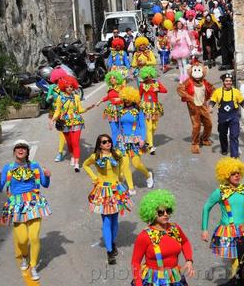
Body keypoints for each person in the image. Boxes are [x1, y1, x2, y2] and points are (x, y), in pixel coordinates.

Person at [0, 140, 51, 281]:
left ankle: (33, 267)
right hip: (16, 205)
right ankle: (25, 256)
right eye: (18, 148)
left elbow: (45, 184)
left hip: (33, 203)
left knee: (34, 237)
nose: (21, 150)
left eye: (24, 148)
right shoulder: (8, 168)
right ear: (14, 151)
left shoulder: (35, 166)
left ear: (27, 152)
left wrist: (48, 176)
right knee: (22, 239)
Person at [201, 157, 244, 274]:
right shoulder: (219, 192)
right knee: (236, 261)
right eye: (233, 173)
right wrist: (204, 229)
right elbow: (206, 207)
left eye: (238, 173)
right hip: (228, 231)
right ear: (226, 175)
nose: (237, 176)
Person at [83, 134, 133, 265]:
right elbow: (85, 165)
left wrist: (120, 177)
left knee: (115, 220)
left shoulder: (116, 153)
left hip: (116, 190)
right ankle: (110, 251)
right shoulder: (96, 157)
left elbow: (123, 164)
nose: (108, 143)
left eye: (109, 141)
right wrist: (94, 178)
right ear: (100, 145)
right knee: (106, 220)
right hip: (103, 191)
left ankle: (112, 242)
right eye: (104, 142)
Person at [131, 189, 195, 286]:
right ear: (152, 212)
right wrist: (138, 284)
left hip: (174, 277)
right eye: (161, 212)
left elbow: (185, 242)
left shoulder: (175, 228)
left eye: (168, 211)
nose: (165, 214)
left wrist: (189, 260)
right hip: (153, 280)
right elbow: (135, 262)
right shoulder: (144, 236)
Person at [49, 76, 94, 172]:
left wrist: (88, 108)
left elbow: (80, 110)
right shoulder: (60, 98)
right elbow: (57, 111)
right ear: (64, 87)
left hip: (77, 121)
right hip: (65, 122)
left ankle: (77, 164)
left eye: (71, 87)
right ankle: (72, 156)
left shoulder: (77, 97)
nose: (70, 88)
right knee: (69, 143)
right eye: (68, 87)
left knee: (75, 142)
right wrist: (52, 120)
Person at [116, 86, 154, 195]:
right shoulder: (121, 111)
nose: (126, 101)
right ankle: (131, 188)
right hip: (123, 140)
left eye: (128, 99)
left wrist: (142, 139)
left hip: (136, 140)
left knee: (136, 164)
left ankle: (148, 175)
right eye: (125, 99)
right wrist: (116, 141)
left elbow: (143, 126)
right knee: (125, 164)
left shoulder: (138, 111)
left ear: (132, 98)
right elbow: (119, 127)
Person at [177, 59, 214, 154]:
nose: (197, 73)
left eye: (199, 70)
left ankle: (204, 138)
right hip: (193, 107)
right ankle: (195, 143)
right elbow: (180, 89)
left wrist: (214, 99)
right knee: (196, 125)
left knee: (208, 124)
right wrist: (189, 98)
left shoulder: (205, 82)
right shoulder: (188, 81)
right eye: (195, 70)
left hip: (203, 106)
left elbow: (213, 89)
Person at [209, 73, 244, 158]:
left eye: (230, 81)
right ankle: (224, 148)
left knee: (234, 135)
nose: (229, 83)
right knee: (222, 134)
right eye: (227, 81)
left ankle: (234, 155)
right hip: (222, 117)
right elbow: (212, 101)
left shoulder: (236, 92)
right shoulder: (218, 92)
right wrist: (210, 108)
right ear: (223, 82)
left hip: (233, 116)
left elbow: (242, 102)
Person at [138, 66, 167, 155]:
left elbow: (165, 90)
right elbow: (139, 96)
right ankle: (151, 146)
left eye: (148, 76)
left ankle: (148, 140)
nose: (147, 78)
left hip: (155, 107)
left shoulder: (156, 83)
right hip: (146, 107)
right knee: (149, 127)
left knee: (154, 127)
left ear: (151, 75)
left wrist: (158, 89)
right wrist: (136, 106)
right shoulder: (142, 85)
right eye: (145, 77)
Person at [94, 70, 126, 145]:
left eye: (114, 78)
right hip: (111, 110)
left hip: (120, 109)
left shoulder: (122, 88)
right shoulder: (110, 88)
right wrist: (100, 101)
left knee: (121, 128)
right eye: (111, 78)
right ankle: (114, 146)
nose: (112, 79)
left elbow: (127, 97)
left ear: (118, 79)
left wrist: (120, 99)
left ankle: (121, 144)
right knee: (114, 129)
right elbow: (108, 97)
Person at [169, 19, 193, 84]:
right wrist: (175, 41)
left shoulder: (184, 31)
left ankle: (186, 77)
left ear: (182, 25)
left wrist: (190, 44)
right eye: (178, 24)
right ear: (176, 25)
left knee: (184, 63)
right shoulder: (174, 32)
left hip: (184, 49)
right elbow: (172, 41)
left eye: (180, 24)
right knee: (179, 64)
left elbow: (187, 38)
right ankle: (182, 77)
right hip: (177, 49)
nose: (179, 25)